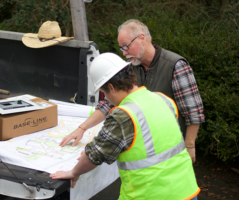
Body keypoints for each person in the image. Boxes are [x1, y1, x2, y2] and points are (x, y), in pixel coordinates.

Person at [51, 52, 200, 200]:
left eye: (104, 93)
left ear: (111, 87)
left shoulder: (123, 116)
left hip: (150, 194)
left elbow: (94, 155)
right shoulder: (163, 99)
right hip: (186, 190)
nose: (106, 99)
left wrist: (73, 173)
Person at [60, 19, 204, 163]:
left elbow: (193, 112)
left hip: (171, 148)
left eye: (126, 46)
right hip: (143, 149)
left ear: (142, 38)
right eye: (122, 48)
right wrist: (82, 128)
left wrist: (190, 145)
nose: (124, 53)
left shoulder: (175, 65)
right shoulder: (130, 67)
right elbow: (108, 104)